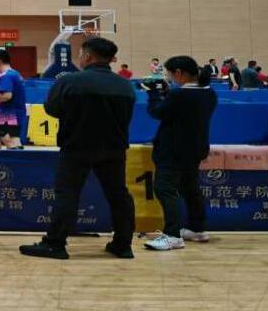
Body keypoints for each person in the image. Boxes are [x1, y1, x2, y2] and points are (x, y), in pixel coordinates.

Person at [20, 37, 135, 261]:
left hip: (76, 146)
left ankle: (55, 244)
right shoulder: (125, 86)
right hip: (114, 148)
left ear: (87, 56)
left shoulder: (70, 82)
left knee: (68, 194)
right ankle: (123, 245)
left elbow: (52, 109)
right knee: (118, 195)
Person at [142, 56, 217, 251]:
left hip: (173, 149)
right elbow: (182, 114)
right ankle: (197, 229)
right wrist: (166, 94)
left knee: (164, 187)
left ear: (179, 73)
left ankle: (172, 235)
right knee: (189, 187)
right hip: (195, 148)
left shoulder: (179, 95)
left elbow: (158, 112)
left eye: (170, 74)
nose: (169, 77)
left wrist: (153, 94)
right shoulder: (209, 93)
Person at [0, 49, 26, 148]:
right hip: (11, 113)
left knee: (10, 141)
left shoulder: (7, 76)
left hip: (9, 115)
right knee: (11, 141)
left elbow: (6, 96)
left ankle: (17, 158)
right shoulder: (14, 73)